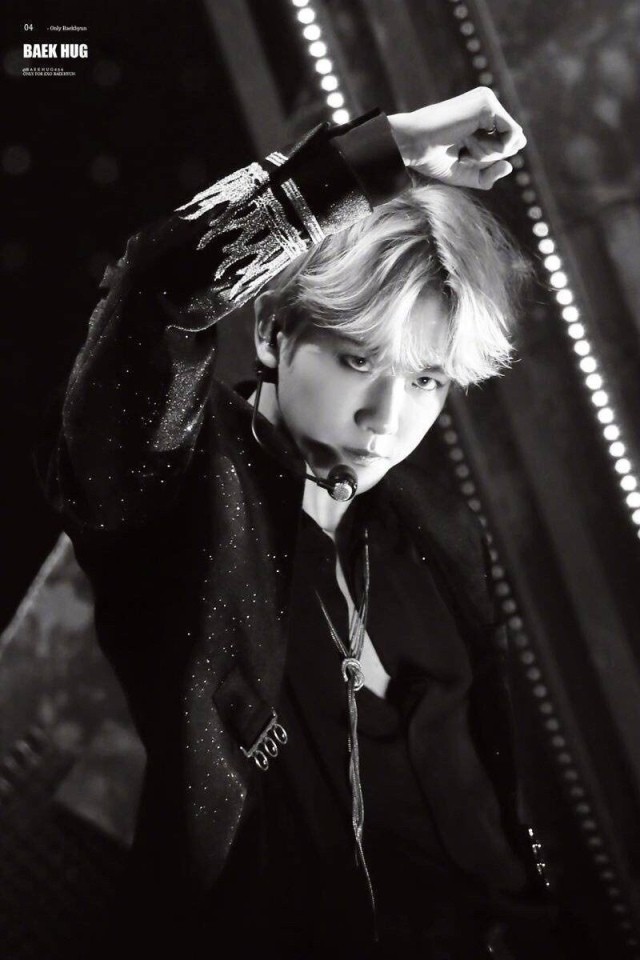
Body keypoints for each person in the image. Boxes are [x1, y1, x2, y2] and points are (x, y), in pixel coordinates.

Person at [39, 87, 577, 958]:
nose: (386, 419)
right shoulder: (179, 495)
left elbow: (487, 806)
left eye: (426, 380)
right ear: (273, 332)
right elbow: (155, 292)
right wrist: (382, 153)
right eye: (358, 360)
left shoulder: (437, 533)